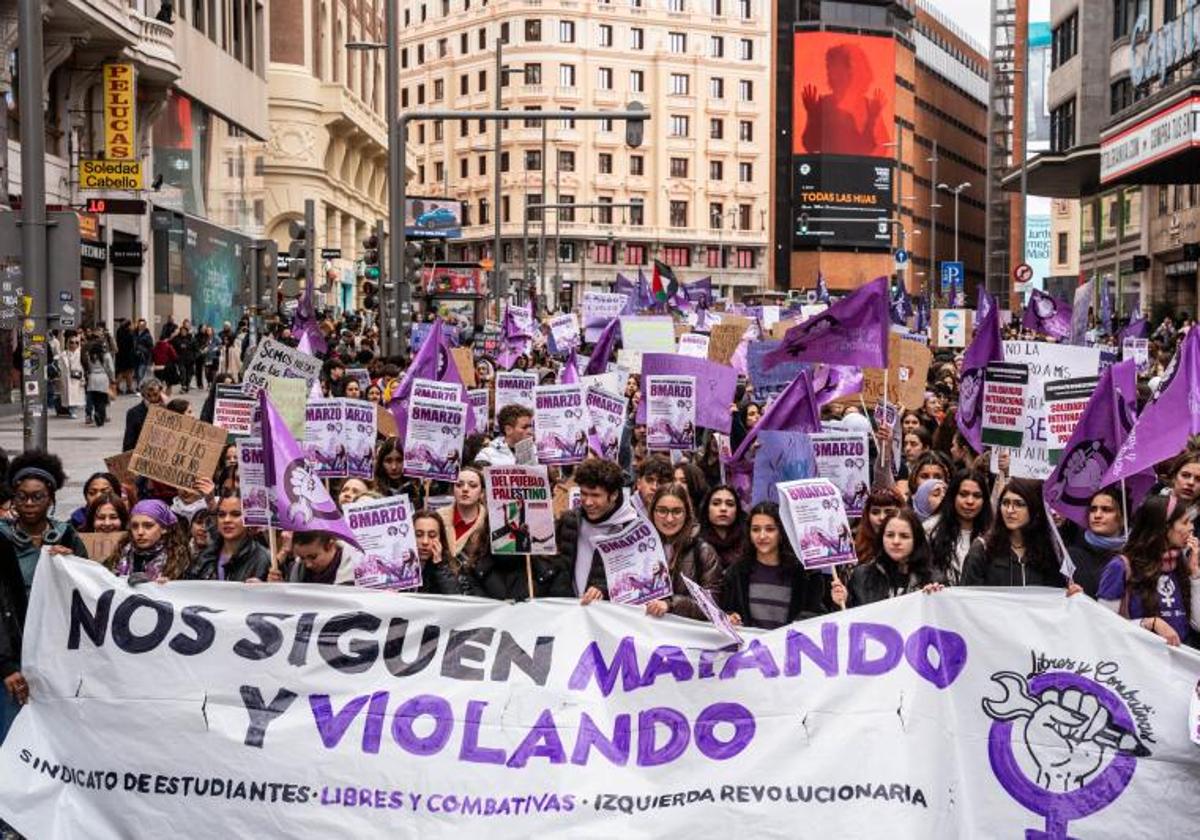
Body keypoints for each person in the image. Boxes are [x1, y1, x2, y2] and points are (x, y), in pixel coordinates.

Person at [1095, 495, 1200, 647]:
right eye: (1184, 522)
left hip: (1179, 664)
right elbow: (1102, 623)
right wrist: (1149, 623)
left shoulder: (1180, 563)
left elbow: (1197, 624)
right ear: (1164, 527)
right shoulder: (1121, 566)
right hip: (1141, 663)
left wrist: (1195, 575)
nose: (1191, 527)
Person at [721, 501, 830, 629]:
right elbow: (725, 611)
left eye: (770, 529)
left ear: (781, 533)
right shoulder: (736, 573)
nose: (762, 536)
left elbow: (818, 617)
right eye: (756, 529)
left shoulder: (806, 575)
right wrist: (730, 617)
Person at [0, 452, 87, 596]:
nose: (29, 503)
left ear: (51, 499)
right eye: (22, 497)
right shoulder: (3, 535)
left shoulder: (66, 535)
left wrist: (72, 564)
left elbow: (85, 583)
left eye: (37, 497)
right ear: (13, 500)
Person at [555, 458, 642, 602]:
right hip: (569, 612)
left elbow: (637, 580)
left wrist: (605, 589)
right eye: (584, 493)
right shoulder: (570, 521)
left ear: (613, 495)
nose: (588, 502)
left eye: (595, 495)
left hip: (606, 616)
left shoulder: (632, 529)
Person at [961, 478, 1065, 588]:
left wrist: (1072, 593)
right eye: (1005, 503)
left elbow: (1056, 596)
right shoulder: (983, 548)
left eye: (1019, 504)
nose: (1010, 510)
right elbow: (968, 597)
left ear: (1034, 508)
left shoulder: (1050, 550)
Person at [642, 484, 721, 619]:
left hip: (684, 637)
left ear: (687, 514)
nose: (669, 519)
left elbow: (711, 606)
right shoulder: (639, 548)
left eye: (677, 511)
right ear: (652, 512)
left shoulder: (703, 551)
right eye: (662, 511)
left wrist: (671, 604)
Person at [843, 510, 944, 607]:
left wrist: (934, 600)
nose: (896, 541)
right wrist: (843, 601)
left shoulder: (934, 580)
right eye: (890, 535)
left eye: (904, 536)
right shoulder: (862, 576)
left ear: (916, 540)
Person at [925, 470, 992, 584]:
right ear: (953, 496)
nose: (970, 501)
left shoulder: (992, 535)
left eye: (977, 496)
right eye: (963, 494)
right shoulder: (930, 530)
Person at [189, 492, 271, 582]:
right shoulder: (206, 555)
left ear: (249, 517)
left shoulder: (263, 559)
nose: (227, 520)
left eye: (235, 514)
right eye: (221, 515)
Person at [105, 500, 192, 582]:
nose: (140, 532)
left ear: (164, 528)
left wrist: (170, 586)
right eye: (135, 526)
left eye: (148, 526)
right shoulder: (120, 553)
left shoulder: (178, 559)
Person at [1065, 487, 1127, 599]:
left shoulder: (1133, 554)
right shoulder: (1072, 556)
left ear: (1122, 518)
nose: (1097, 515)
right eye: (1093, 509)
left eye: (1106, 509)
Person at [436, 466, 486, 555]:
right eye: (459, 485)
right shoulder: (437, 517)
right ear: (452, 490)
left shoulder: (489, 522)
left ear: (482, 493)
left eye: (473, 485)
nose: (465, 489)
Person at [270, 531, 352, 585]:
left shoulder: (354, 571)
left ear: (330, 546)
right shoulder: (297, 570)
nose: (308, 565)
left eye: (313, 557)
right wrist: (279, 589)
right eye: (302, 558)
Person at [697, 484, 748, 570]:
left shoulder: (749, 541)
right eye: (716, 503)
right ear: (707, 508)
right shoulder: (695, 542)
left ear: (737, 510)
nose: (723, 509)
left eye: (730, 504)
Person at [854, 488, 903, 564]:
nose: (881, 517)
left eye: (888, 511)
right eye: (875, 512)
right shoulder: (857, 549)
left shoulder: (913, 548)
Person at [373, 438, 425, 509]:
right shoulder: (374, 492)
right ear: (381, 463)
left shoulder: (419, 489)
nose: (394, 467)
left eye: (399, 460)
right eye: (388, 461)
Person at [122, 378, 165, 452]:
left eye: (155, 394)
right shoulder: (133, 413)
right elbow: (129, 441)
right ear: (143, 394)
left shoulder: (168, 410)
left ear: (160, 393)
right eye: (148, 395)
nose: (152, 398)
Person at [84, 338, 115, 427]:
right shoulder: (106, 355)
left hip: (92, 377)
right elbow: (111, 369)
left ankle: (96, 414)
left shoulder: (90, 356)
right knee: (102, 399)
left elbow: (88, 367)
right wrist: (112, 378)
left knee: (94, 398)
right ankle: (100, 415)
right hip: (103, 377)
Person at [56, 332, 85, 418]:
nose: (73, 345)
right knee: (68, 394)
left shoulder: (80, 353)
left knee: (75, 394)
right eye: (71, 342)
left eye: (76, 343)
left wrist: (83, 377)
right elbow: (60, 365)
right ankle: (70, 410)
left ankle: (74, 410)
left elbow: (84, 365)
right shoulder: (64, 354)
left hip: (77, 376)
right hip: (66, 377)